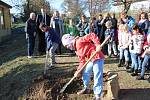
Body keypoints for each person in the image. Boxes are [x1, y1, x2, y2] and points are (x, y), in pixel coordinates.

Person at [61, 27, 104, 100]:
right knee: (86, 73)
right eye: (66, 47)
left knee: (97, 75)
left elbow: (92, 35)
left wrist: (97, 45)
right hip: (90, 60)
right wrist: (78, 71)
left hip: (97, 57)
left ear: (70, 41)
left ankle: (97, 95)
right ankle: (86, 87)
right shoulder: (76, 51)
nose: (68, 47)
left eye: (67, 45)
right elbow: (82, 62)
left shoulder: (79, 41)